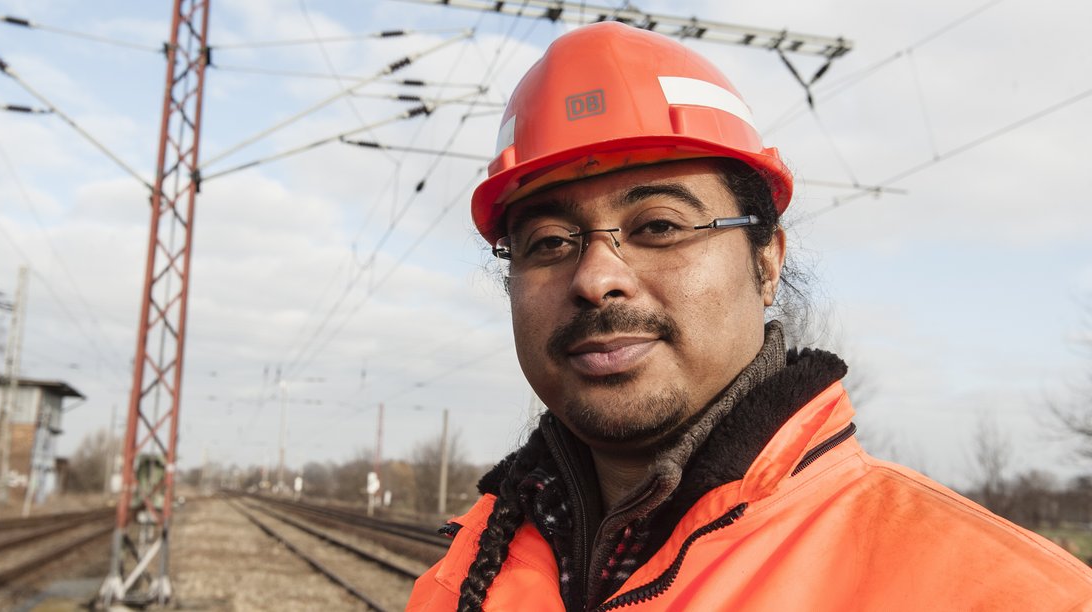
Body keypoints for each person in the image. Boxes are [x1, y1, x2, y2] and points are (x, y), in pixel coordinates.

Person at [407, 22, 1092, 611]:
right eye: (550, 242)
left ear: (766, 262)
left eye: (659, 225)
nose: (596, 278)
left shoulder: (1007, 592)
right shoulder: (463, 573)